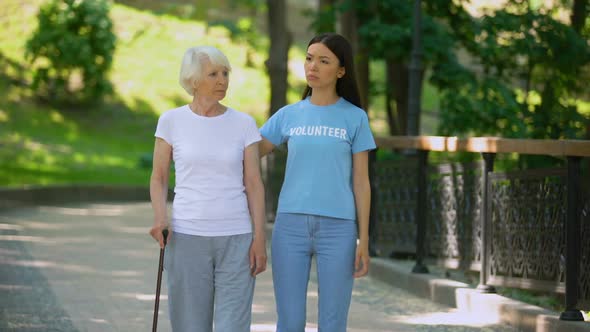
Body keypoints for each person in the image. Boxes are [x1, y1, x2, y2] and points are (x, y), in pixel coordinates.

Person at [259, 32, 376, 332]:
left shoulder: (355, 118)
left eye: (323, 61)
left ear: (340, 70)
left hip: (339, 230)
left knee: (333, 322)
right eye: (309, 58)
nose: (313, 66)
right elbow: (248, 155)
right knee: (290, 322)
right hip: (290, 227)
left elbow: (361, 182)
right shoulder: (288, 115)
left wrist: (364, 238)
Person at [148, 45, 267, 332]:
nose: (222, 80)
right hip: (187, 235)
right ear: (193, 80)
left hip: (237, 237)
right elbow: (159, 177)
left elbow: (254, 184)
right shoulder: (171, 121)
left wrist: (260, 238)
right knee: (190, 325)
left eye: (225, 73)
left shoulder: (244, 124)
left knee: (233, 326)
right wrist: (160, 217)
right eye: (213, 74)